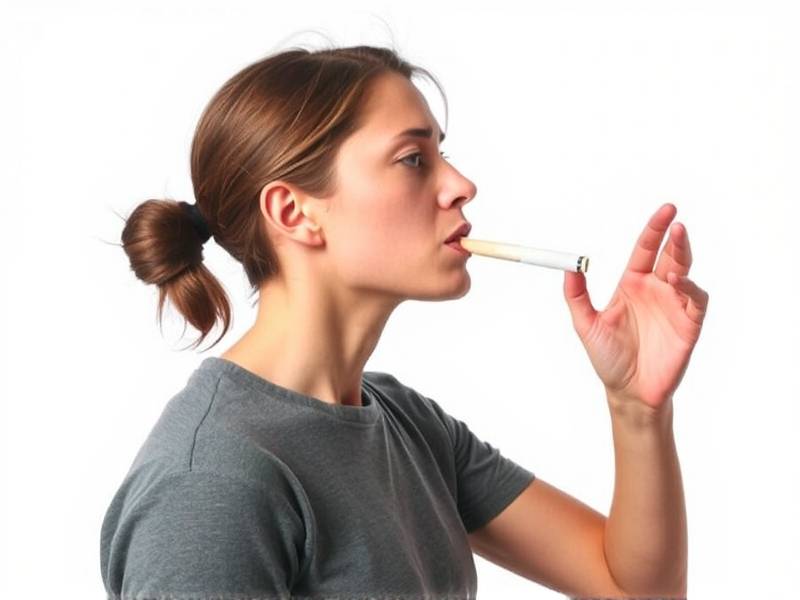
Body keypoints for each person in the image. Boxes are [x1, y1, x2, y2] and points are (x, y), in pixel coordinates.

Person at [102, 43, 706, 600]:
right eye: (413, 159)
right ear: (294, 211)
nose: (462, 186)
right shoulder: (211, 482)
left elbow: (636, 590)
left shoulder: (408, 424)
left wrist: (637, 406)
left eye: (443, 154)